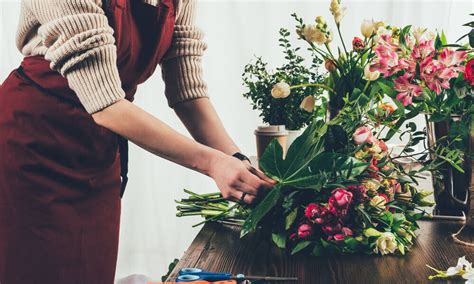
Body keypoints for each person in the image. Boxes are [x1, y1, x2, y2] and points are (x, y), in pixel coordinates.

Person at [0, 0, 275, 283]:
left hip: (98, 152)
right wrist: (214, 164)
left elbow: (188, 90)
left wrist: (237, 161)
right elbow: (105, 103)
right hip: (32, 146)